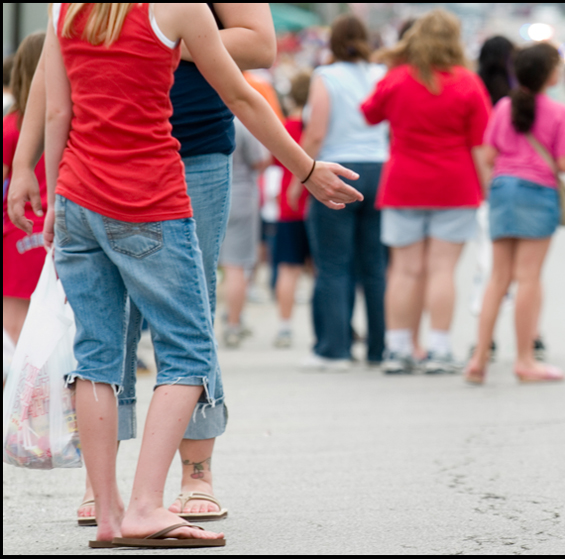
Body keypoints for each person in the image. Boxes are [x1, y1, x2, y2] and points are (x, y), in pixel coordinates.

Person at [39, 2, 361, 548]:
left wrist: (53, 198)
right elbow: (239, 96)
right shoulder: (180, 9)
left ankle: (109, 511)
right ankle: (145, 505)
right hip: (149, 198)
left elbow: (54, 112)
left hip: (76, 198)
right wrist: (304, 169)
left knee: (97, 352)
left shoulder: (63, 7)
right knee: (188, 348)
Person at [362, 9, 491, 375]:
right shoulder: (468, 82)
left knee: (403, 271)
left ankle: (397, 349)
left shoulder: (397, 78)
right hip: (455, 185)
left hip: (403, 183)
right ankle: (438, 349)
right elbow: (480, 145)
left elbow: (369, 114)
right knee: (442, 271)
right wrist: (487, 191)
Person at [465, 43, 565, 385]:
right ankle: (525, 359)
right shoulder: (559, 113)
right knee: (528, 277)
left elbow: (488, 155)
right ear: (550, 75)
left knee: (498, 278)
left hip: (502, 190)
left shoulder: (503, 107)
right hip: (537, 193)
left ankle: (478, 358)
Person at [300, 14, 390, 369]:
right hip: (380, 169)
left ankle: (334, 348)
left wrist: (300, 175)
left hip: (337, 170)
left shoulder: (326, 77)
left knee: (334, 264)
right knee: (375, 266)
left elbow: (317, 133)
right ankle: (379, 348)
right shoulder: (379, 75)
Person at [3, 32, 47, 348]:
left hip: (17, 234)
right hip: (58, 232)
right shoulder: (71, 121)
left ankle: (26, 396)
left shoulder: (11, 128)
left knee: (14, 329)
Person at [219, 118, 271, 349]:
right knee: (236, 267)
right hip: (240, 194)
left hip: (203, 195)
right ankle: (233, 325)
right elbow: (260, 159)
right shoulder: (239, 121)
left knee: (202, 266)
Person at [273, 71, 312, 350]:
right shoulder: (319, 127)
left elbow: (275, 161)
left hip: (289, 206)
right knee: (326, 270)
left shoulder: (285, 127)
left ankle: (285, 327)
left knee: (288, 268)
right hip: (319, 204)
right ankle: (333, 325)